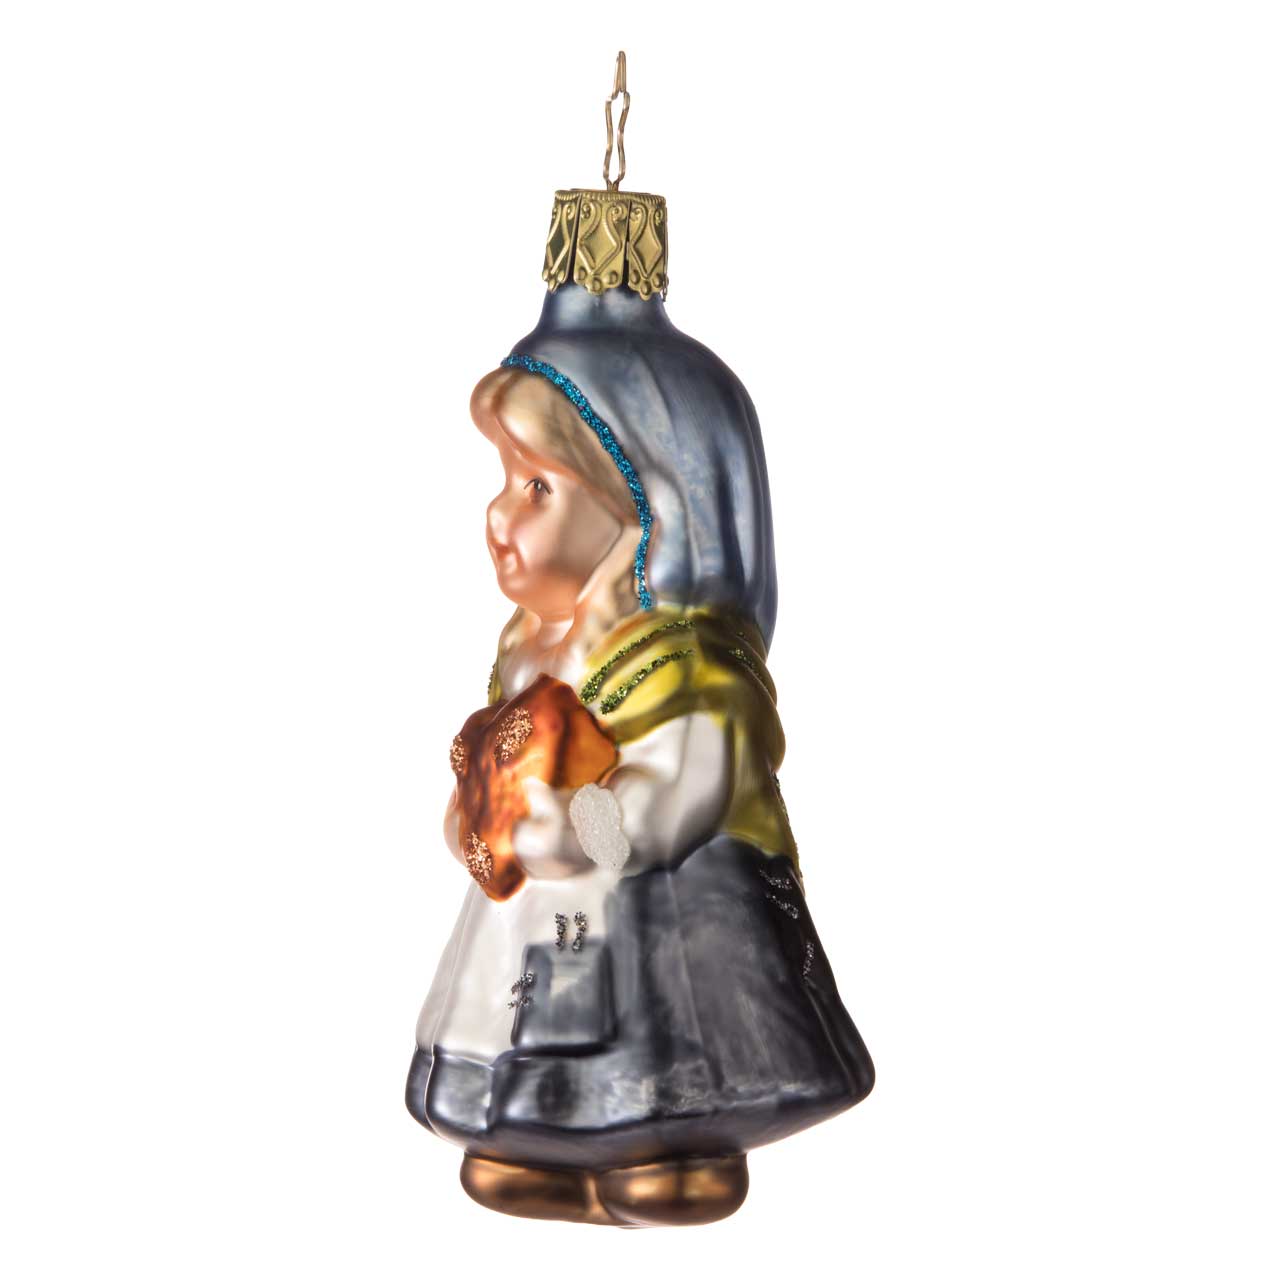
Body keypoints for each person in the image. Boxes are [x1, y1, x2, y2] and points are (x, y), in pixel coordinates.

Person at [406, 283, 873, 1227]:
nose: (499, 513)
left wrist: (584, 826)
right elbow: (492, 765)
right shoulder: (527, 654)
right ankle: (533, 1136)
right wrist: (474, 821)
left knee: (664, 1045)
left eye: (536, 487)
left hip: (666, 913)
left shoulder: (688, 668)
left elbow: (675, 799)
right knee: (533, 1029)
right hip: (541, 917)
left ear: (643, 508)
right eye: (503, 481)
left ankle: (675, 1144)